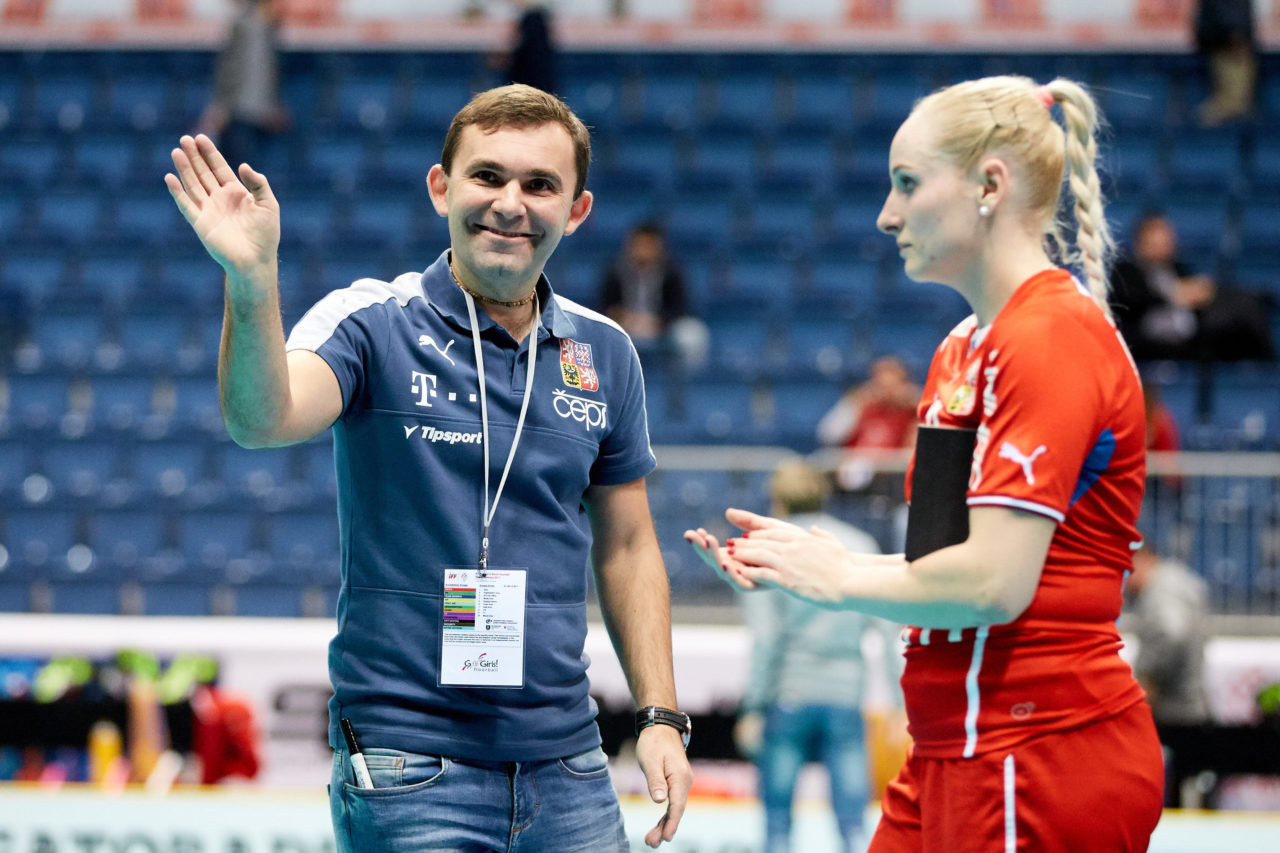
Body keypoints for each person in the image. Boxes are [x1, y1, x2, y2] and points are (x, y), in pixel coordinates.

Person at [165, 84, 691, 851]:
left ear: (576, 210)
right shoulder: (372, 320)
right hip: (410, 764)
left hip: (569, 765)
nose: (510, 202)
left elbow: (629, 546)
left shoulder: (604, 352)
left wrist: (660, 714)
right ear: (441, 187)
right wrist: (251, 281)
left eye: (540, 185)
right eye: (487, 176)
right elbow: (260, 418)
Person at [686, 76, 1165, 851]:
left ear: (989, 185)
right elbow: (941, 566)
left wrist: (838, 578)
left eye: (907, 184)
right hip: (950, 753)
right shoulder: (958, 353)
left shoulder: (1051, 338)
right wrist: (806, 561)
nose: (886, 214)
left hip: (1038, 752)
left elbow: (992, 584)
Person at [736, 459, 901, 853]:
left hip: (788, 694)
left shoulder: (767, 550)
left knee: (776, 823)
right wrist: (897, 705)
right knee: (853, 825)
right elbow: (890, 630)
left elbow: (766, 639)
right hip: (846, 695)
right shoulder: (858, 545)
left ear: (777, 501)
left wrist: (753, 707)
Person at [1110, 212, 1274, 362]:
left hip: (1192, 342)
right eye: (1157, 240)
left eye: (1167, 239)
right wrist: (1173, 295)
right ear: (1141, 243)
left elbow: (1195, 298)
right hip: (1149, 344)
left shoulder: (1178, 269)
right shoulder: (1126, 271)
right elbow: (1130, 302)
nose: (1165, 245)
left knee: (1243, 307)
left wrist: (1201, 292)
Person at [1124, 543, 1211, 806]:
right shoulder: (1179, 580)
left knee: (1177, 791)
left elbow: (1171, 633)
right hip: (1186, 704)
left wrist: (1150, 675)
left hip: (1174, 709)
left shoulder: (1163, 588)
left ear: (1140, 559)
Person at [600, 221, 708, 369]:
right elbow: (604, 306)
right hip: (626, 326)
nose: (644, 249)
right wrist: (623, 318)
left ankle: (684, 384)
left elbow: (680, 307)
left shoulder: (672, 271)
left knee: (691, 333)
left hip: (661, 327)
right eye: (640, 244)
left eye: (649, 244)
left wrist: (658, 321)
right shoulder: (614, 270)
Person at [197, 0, 290, 172]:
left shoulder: (264, 24)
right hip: (240, 112)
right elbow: (232, 70)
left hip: (255, 113)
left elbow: (267, 71)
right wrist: (220, 106)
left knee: (251, 171)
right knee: (240, 172)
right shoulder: (246, 24)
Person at [817, 355, 919, 493]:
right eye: (880, 382)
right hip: (855, 474)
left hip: (893, 477)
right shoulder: (861, 404)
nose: (886, 390)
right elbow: (828, 434)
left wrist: (917, 400)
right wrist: (856, 402)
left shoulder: (912, 411)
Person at [1194, 0, 1257, 125]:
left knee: (1238, 104)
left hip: (1230, 44)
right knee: (1231, 104)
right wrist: (1234, 34)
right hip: (1226, 46)